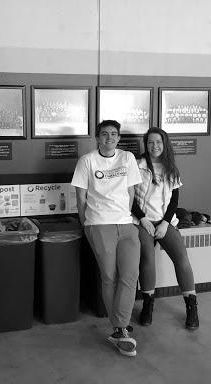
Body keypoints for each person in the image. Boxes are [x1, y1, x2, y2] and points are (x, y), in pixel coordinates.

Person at [71, 120, 142, 357]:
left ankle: (119, 326)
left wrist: (125, 215)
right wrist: (87, 223)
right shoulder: (87, 161)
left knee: (130, 275)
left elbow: (131, 192)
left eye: (114, 134)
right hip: (99, 224)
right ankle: (120, 328)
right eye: (104, 134)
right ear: (98, 138)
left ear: (119, 138)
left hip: (127, 224)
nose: (109, 138)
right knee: (109, 276)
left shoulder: (128, 159)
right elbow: (80, 197)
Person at [131, 127, 199, 330]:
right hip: (142, 222)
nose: (155, 146)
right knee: (147, 259)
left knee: (182, 258)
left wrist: (165, 223)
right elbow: (129, 197)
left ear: (165, 143)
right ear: (146, 144)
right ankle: (148, 305)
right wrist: (143, 219)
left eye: (158, 142)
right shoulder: (137, 165)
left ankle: (191, 307)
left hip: (165, 222)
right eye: (150, 142)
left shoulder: (171, 167)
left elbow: (174, 200)